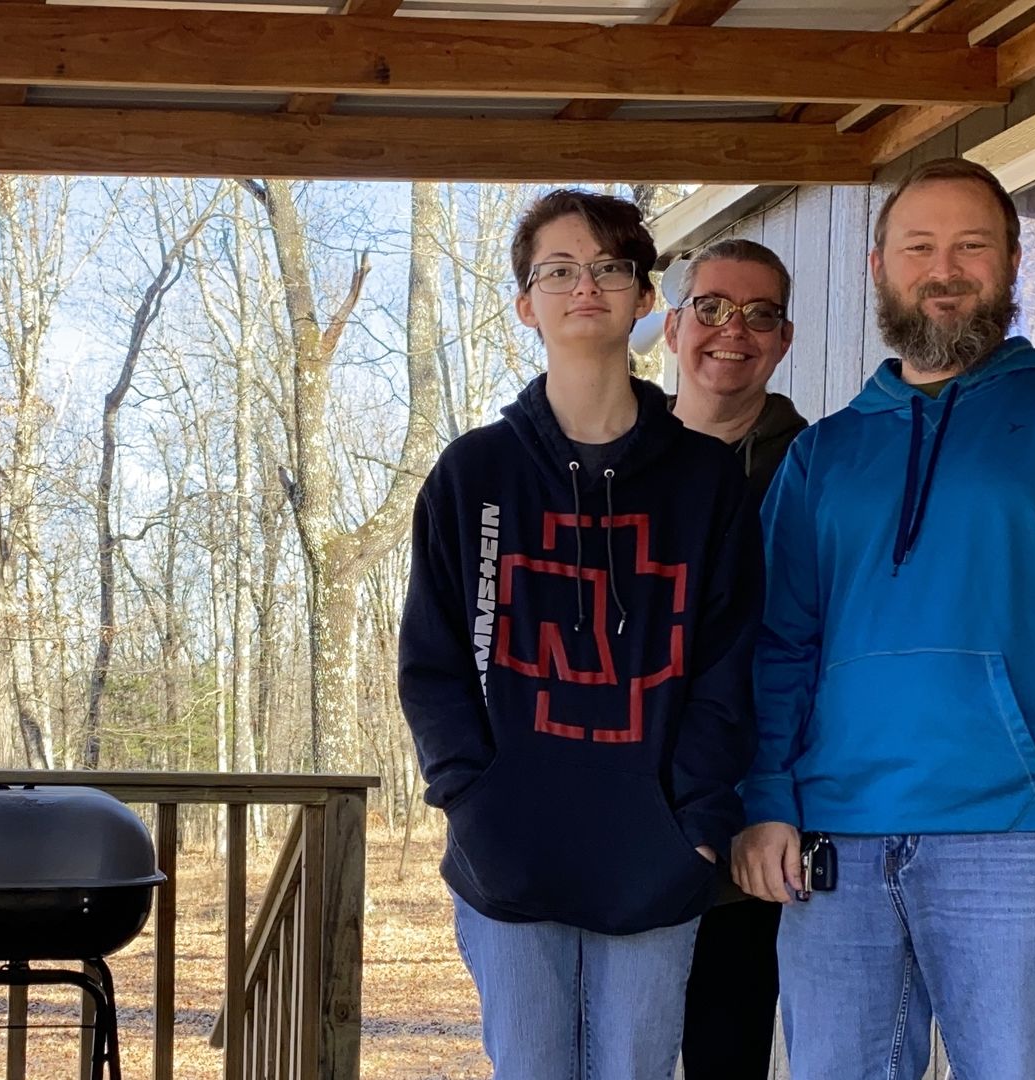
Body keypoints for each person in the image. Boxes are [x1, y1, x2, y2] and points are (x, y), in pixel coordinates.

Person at [734, 158, 1035, 1079]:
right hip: (837, 844)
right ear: (878, 266)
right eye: (919, 247)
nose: (943, 269)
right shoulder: (822, 457)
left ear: (1012, 263)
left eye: (970, 246)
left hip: (1027, 835)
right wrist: (765, 800)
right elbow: (780, 647)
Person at [399, 189, 762, 1080]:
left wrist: (698, 826)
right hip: (508, 846)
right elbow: (432, 664)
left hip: (656, 850)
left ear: (646, 299)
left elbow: (729, 666)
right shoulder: (473, 472)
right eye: (557, 270)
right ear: (527, 304)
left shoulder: (708, 482)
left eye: (608, 267)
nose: (584, 286)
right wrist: (469, 796)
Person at [663, 239, 808, 1079]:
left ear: (783, 340)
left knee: (726, 1048)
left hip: (755, 820)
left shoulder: (816, 469)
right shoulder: (619, 463)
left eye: (759, 315)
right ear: (676, 325)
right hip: (625, 816)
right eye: (712, 308)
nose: (733, 330)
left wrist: (771, 800)